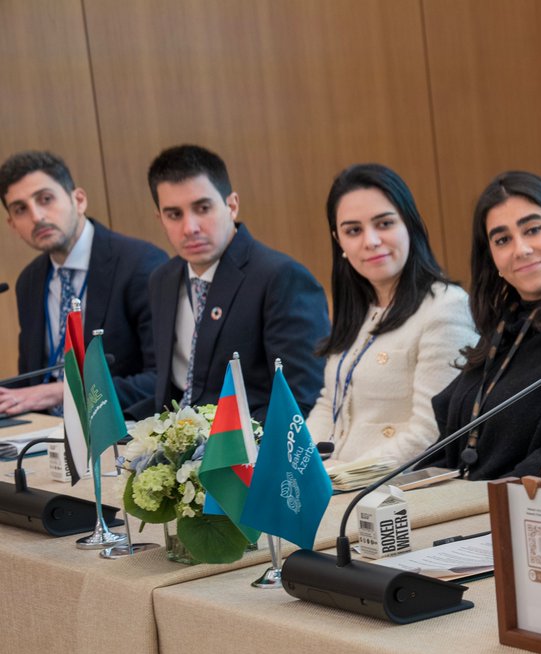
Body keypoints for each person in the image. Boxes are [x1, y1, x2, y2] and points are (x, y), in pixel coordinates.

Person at [133, 144, 329, 422]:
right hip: (177, 449)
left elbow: (301, 400)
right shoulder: (162, 280)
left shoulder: (282, 278)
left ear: (232, 205)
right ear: (160, 218)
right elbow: (174, 390)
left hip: (252, 452)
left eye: (202, 208)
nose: (190, 227)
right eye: (174, 214)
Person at [305, 164, 475, 464]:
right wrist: (299, 463)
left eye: (384, 224)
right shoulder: (361, 310)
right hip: (337, 484)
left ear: (408, 224)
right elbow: (329, 404)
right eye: (353, 230)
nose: (370, 241)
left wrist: (343, 478)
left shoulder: (447, 307)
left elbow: (429, 432)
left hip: (391, 491)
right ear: (339, 241)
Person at [427, 171, 541, 479]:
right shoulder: (504, 328)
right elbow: (450, 448)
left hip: (525, 509)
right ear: (492, 259)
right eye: (503, 240)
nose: (521, 249)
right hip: (468, 505)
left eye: (532, 230)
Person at [0, 150, 163, 413]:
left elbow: (160, 380)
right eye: (21, 209)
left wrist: (60, 392)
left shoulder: (140, 264)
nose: (37, 216)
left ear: (79, 200)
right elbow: (31, 385)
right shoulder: (28, 281)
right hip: (45, 437)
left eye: (46, 199)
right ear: (12, 224)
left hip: (120, 434)